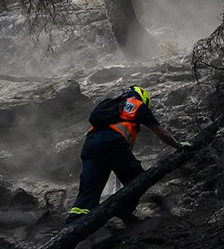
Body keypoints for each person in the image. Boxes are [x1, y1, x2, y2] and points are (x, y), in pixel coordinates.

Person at [67, 85, 189, 224]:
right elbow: (163, 133)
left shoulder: (110, 106)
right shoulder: (138, 106)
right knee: (139, 179)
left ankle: (73, 224)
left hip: (89, 146)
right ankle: (123, 209)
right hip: (112, 144)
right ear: (143, 98)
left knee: (89, 191)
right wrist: (179, 145)